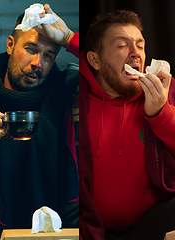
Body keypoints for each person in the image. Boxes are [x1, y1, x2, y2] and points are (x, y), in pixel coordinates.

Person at [0, 4, 80, 235]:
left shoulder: (66, 90)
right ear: (10, 45)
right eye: (30, 49)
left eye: (49, 55)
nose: (38, 63)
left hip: (57, 226)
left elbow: (108, 69)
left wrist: (69, 38)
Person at [80, 10, 175, 240]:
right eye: (122, 45)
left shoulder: (165, 90)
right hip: (90, 231)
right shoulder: (75, 95)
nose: (136, 55)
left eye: (140, 45)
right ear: (95, 60)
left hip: (151, 227)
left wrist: (162, 113)